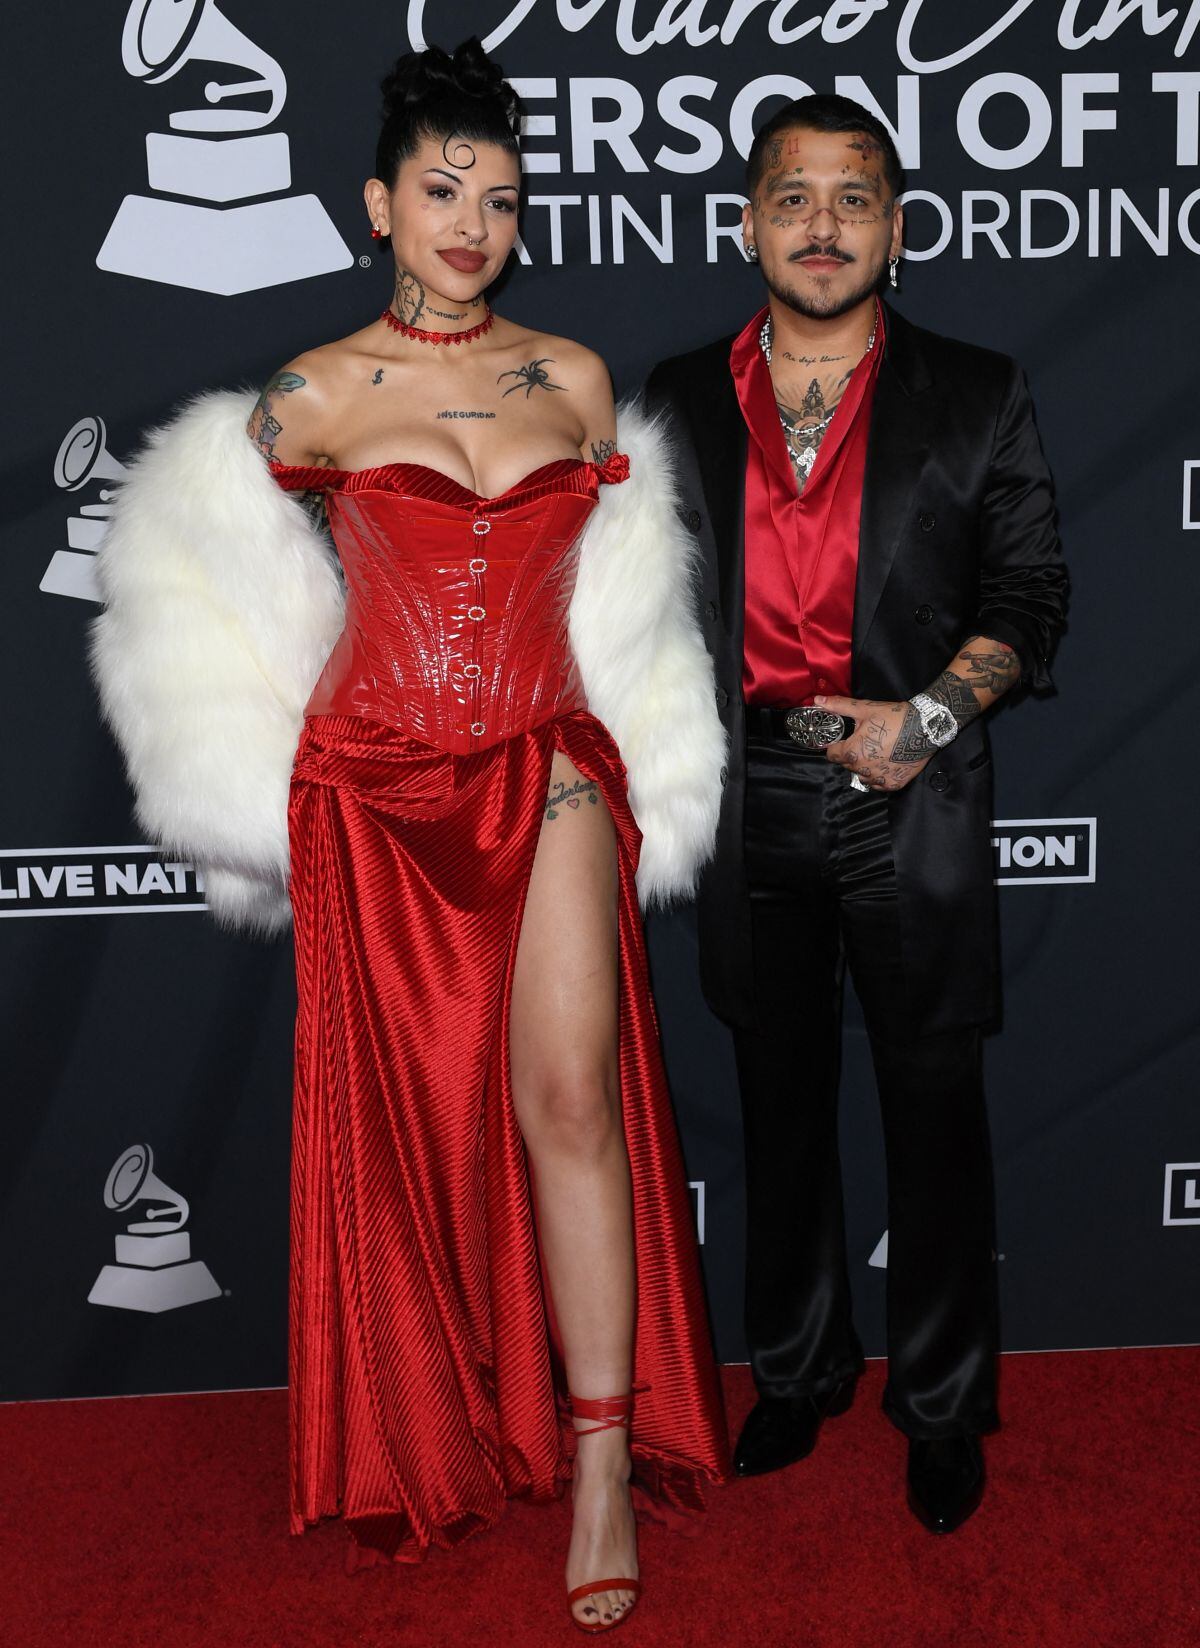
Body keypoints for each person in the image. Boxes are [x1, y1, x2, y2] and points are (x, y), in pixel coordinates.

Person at [91, 38, 728, 1633]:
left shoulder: (574, 379)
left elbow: (606, 600)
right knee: (406, 1128)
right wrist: (250, 760)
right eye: (443, 190)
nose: (473, 221)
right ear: (380, 203)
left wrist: (613, 743)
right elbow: (200, 580)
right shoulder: (308, 397)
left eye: (501, 198)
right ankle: (434, 1417)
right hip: (376, 788)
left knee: (569, 1095)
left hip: (546, 763)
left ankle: (596, 1460)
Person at [643, 94, 1067, 1534]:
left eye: (855, 197)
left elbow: (1031, 599)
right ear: (748, 220)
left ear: (898, 223)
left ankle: (944, 1406)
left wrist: (928, 719)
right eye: (793, 196)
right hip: (751, 791)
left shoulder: (981, 388)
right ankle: (801, 1371)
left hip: (918, 790)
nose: (823, 224)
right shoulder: (675, 396)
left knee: (934, 1113)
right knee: (776, 1105)